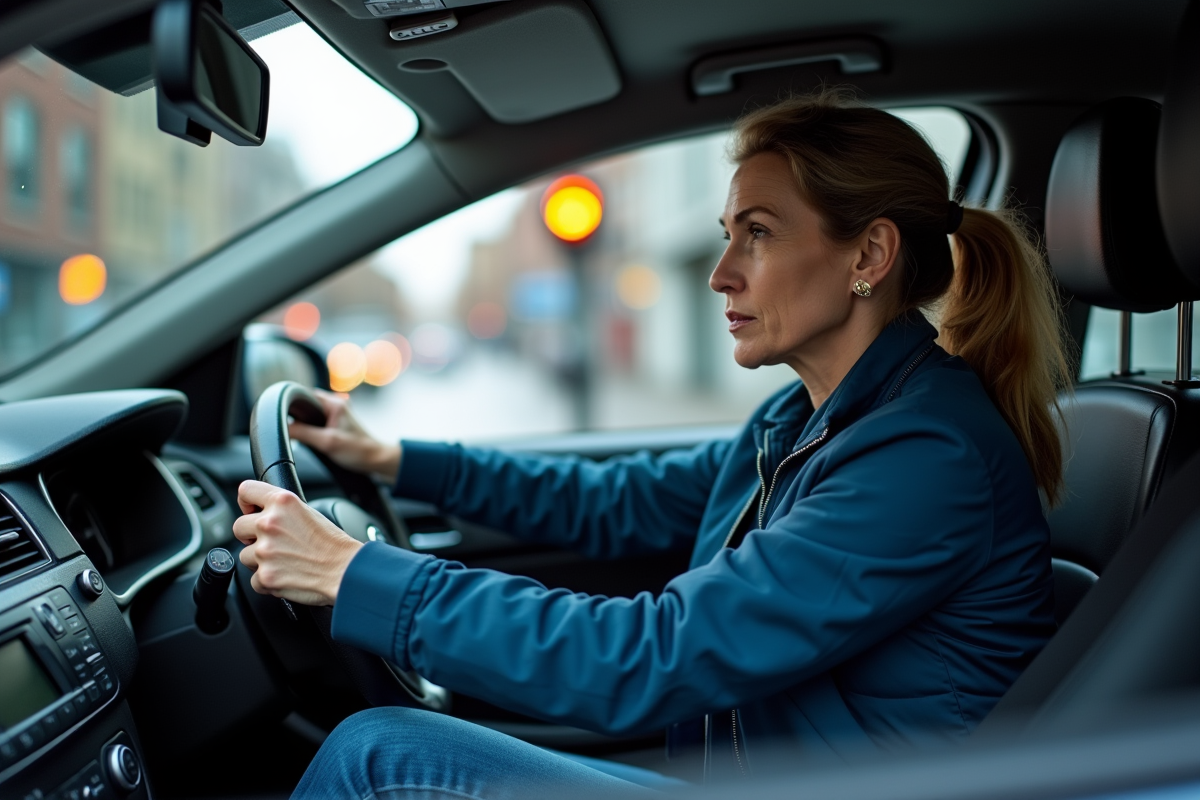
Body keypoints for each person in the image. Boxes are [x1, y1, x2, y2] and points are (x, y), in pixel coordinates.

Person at [233, 91, 1069, 797]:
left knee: (379, 757)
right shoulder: (802, 419)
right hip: (747, 771)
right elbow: (612, 499)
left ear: (870, 254)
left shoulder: (926, 457)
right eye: (727, 231)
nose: (721, 272)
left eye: (760, 232)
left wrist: (355, 574)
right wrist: (396, 461)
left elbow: (654, 654)